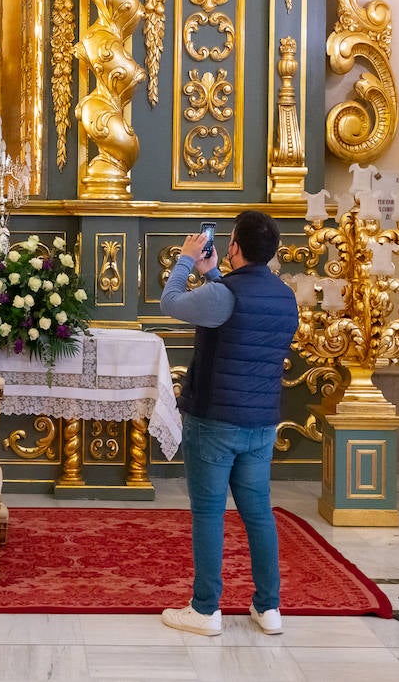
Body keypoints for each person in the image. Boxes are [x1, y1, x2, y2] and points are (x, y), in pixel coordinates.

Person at [158, 211, 299, 637]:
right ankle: (269, 608)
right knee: (258, 514)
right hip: (260, 423)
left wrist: (186, 260)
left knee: (208, 513)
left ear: (235, 245)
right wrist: (214, 271)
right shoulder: (284, 295)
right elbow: (241, 317)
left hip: (216, 420)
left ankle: (205, 610)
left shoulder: (224, 295)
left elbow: (171, 302)